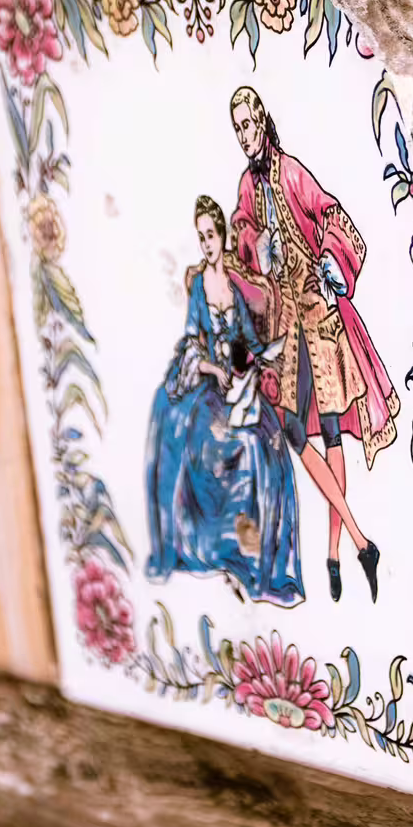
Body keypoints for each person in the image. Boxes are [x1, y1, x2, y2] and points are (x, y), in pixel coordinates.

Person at [228, 86, 397, 603]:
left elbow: (329, 214)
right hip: (283, 326)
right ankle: (360, 540)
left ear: (263, 122)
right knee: (297, 432)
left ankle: (333, 554)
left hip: (317, 316)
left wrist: (327, 260)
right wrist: (255, 244)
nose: (245, 136)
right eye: (237, 129)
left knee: (330, 433)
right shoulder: (246, 187)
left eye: (249, 125)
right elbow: (241, 241)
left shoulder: (291, 170)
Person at [142, 195, 303, 607]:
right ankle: (214, 544)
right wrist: (216, 372)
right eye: (201, 238)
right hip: (210, 386)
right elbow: (195, 339)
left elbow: (246, 339)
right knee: (207, 439)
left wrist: (261, 357)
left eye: (211, 235)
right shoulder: (199, 285)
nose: (207, 244)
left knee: (266, 446)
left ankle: (258, 558)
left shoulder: (232, 286)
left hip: (237, 383)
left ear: (223, 235)